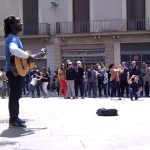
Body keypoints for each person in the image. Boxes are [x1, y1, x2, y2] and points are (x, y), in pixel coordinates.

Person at [4, 15, 36, 128]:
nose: (21, 24)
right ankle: (13, 119)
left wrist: (28, 57)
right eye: (18, 22)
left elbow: (19, 57)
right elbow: (13, 50)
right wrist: (28, 56)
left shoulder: (14, 37)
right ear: (12, 25)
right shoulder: (12, 38)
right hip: (13, 71)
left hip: (15, 70)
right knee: (14, 95)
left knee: (16, 95)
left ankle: (15, 117)